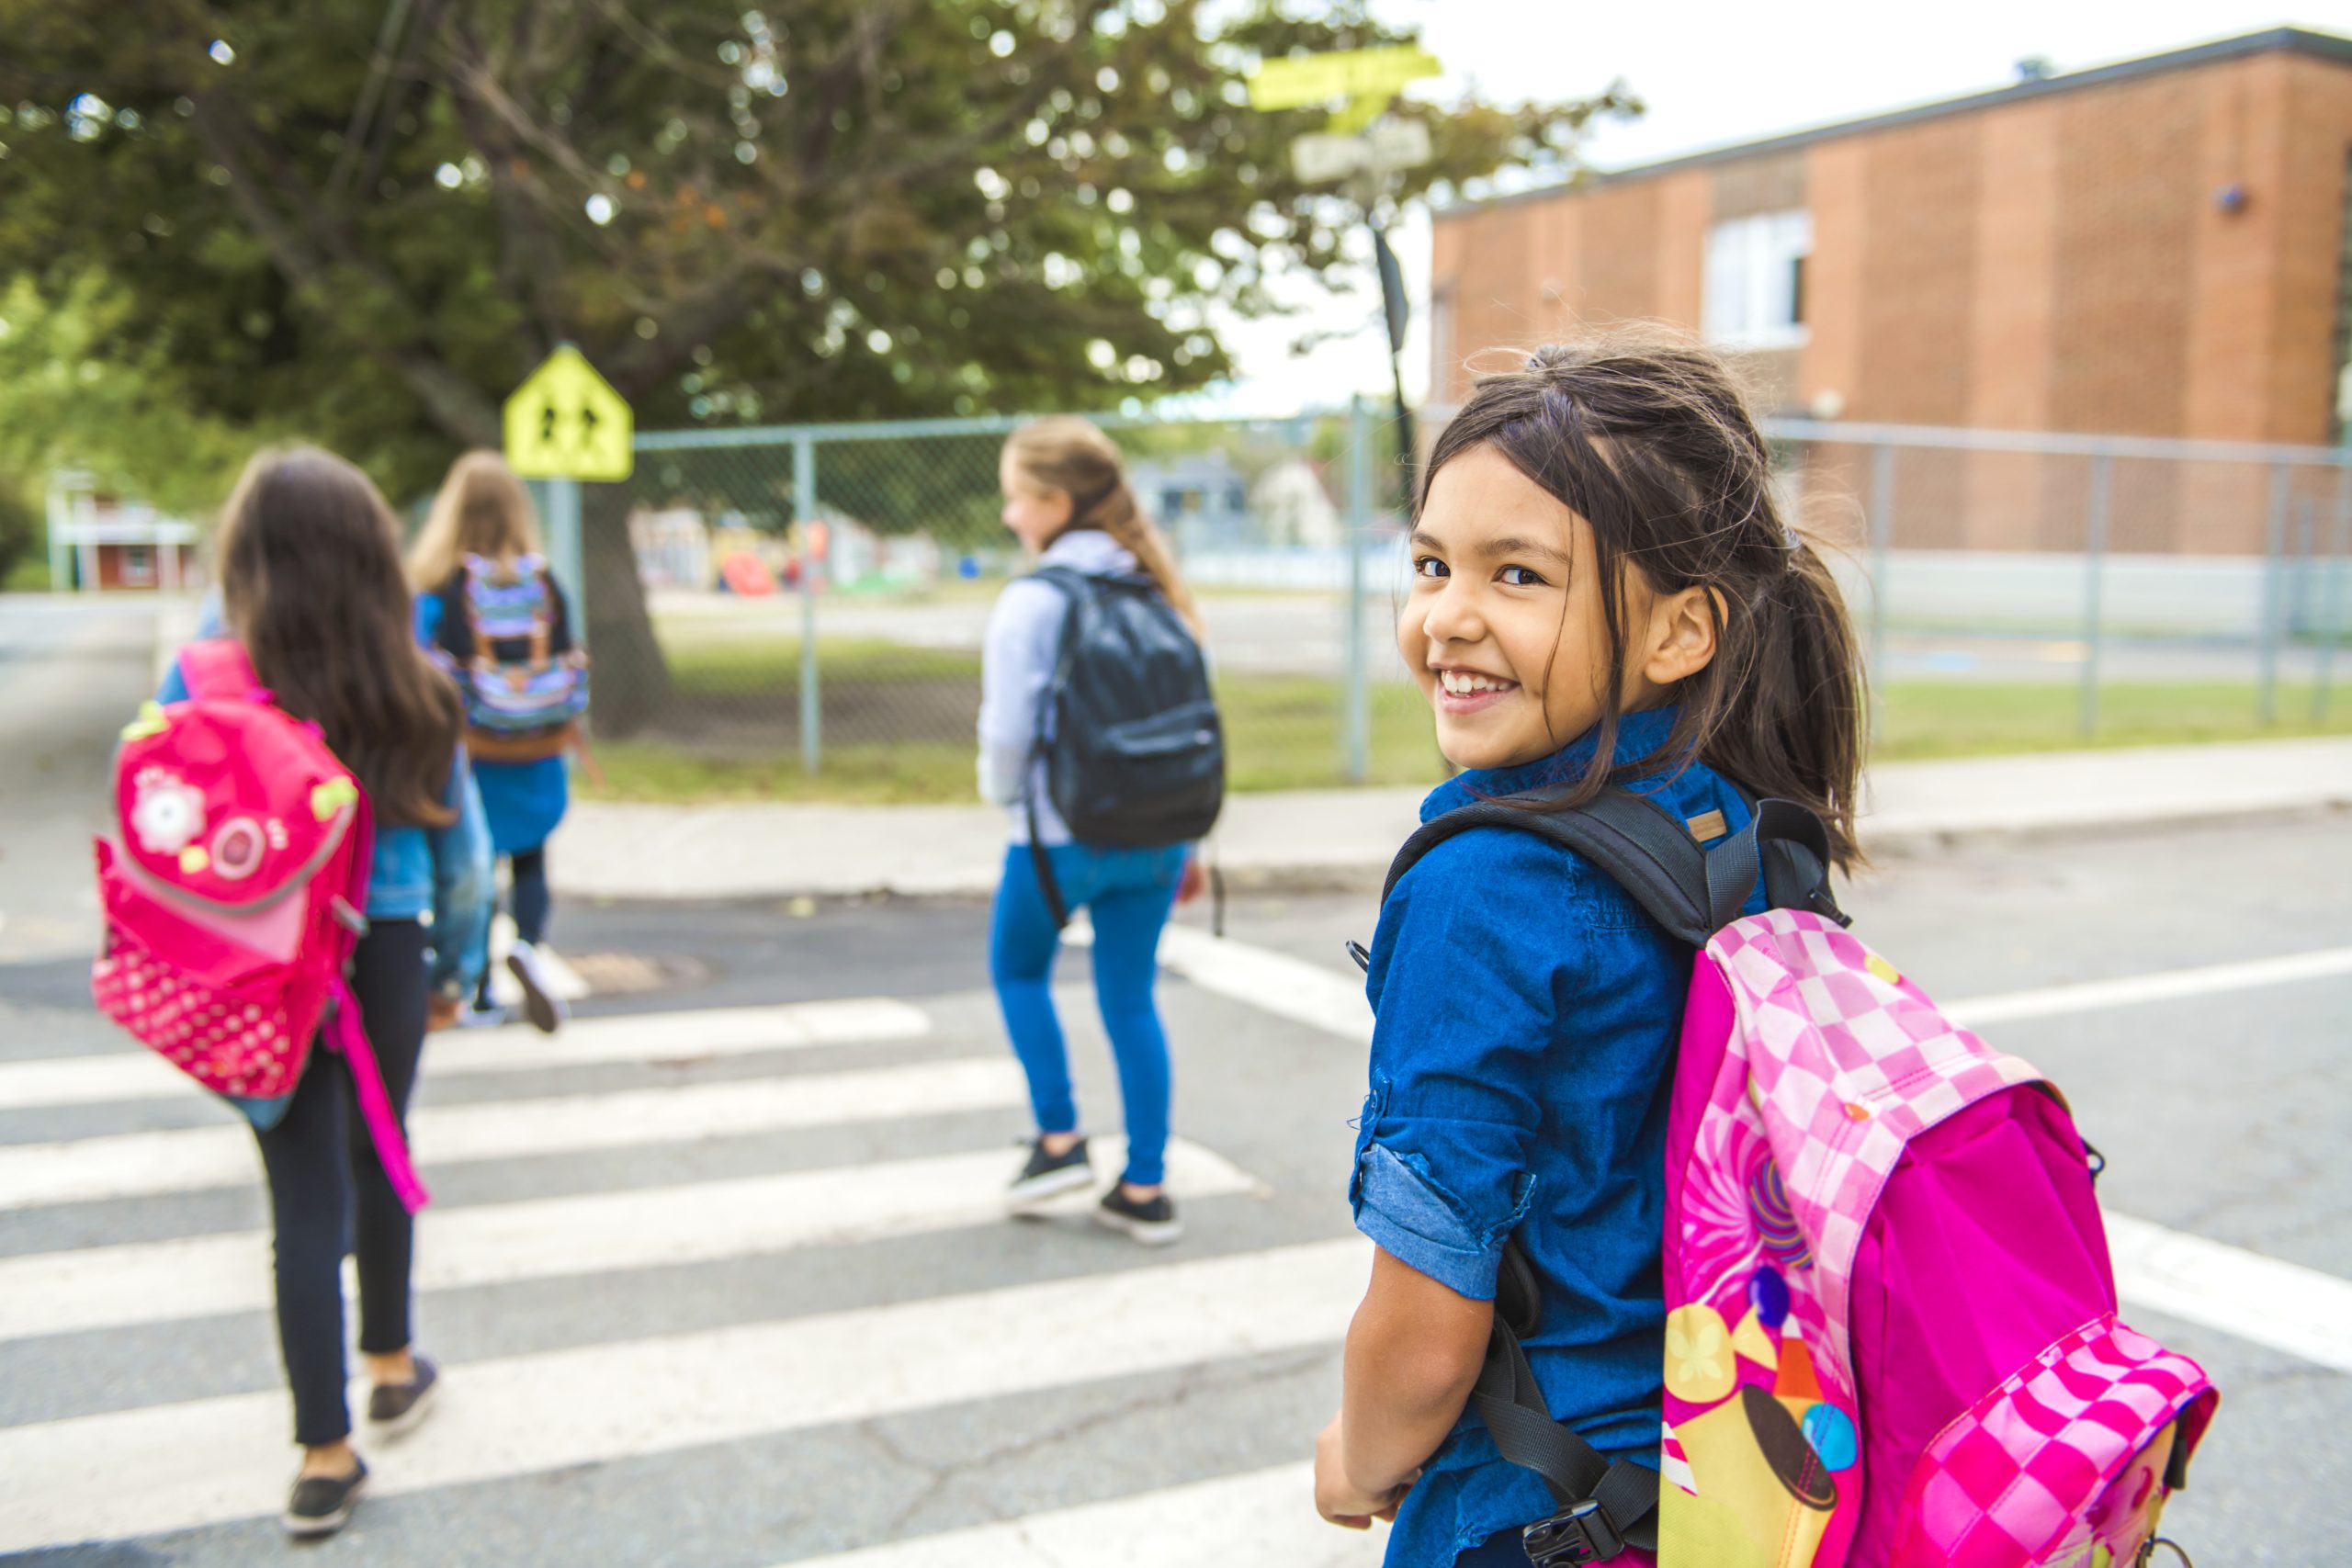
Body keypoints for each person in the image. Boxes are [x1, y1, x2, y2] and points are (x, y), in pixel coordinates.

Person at [1312, 335, 1865, 1565]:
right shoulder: (1748, 824)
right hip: (1737, 1484)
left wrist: (1356, 1454)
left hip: (1539, 1505)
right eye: (1431, 563)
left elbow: (1429, 1312)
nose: (1446, 616)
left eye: (1518, 574)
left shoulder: (1482, 887)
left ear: (1680, 631)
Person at [158, 446, 492, 1539]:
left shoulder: (202, 676)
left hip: (256, 966)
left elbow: (166, 830)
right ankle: (392, 1359)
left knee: (300, 1197)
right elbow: (466, 861)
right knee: (382, 1150)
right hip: (383, 947)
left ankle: (323, 1451)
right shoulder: (414, 680)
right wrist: (454, 973)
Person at [978, 417, 1211, 1246]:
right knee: (1130, 996)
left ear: (1054, 501)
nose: (1010, 516)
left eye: (1016, 499)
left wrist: (1003, 802)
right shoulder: (1160, 590)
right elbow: (1189, 724)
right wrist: (1192, 844)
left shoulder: (1033, 600)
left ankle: (1058, 1138)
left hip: (1055, 837)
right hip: (1157, 837)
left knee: (1016, 969)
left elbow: (1007, 736)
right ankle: (1145, 1186)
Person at [408, 450, 582, 1032]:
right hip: (538, 744)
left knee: (472, 866)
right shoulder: (541, 582)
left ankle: (476, 987)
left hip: (469, 750)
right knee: (530, 857)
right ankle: (529, 945)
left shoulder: (437, 588)